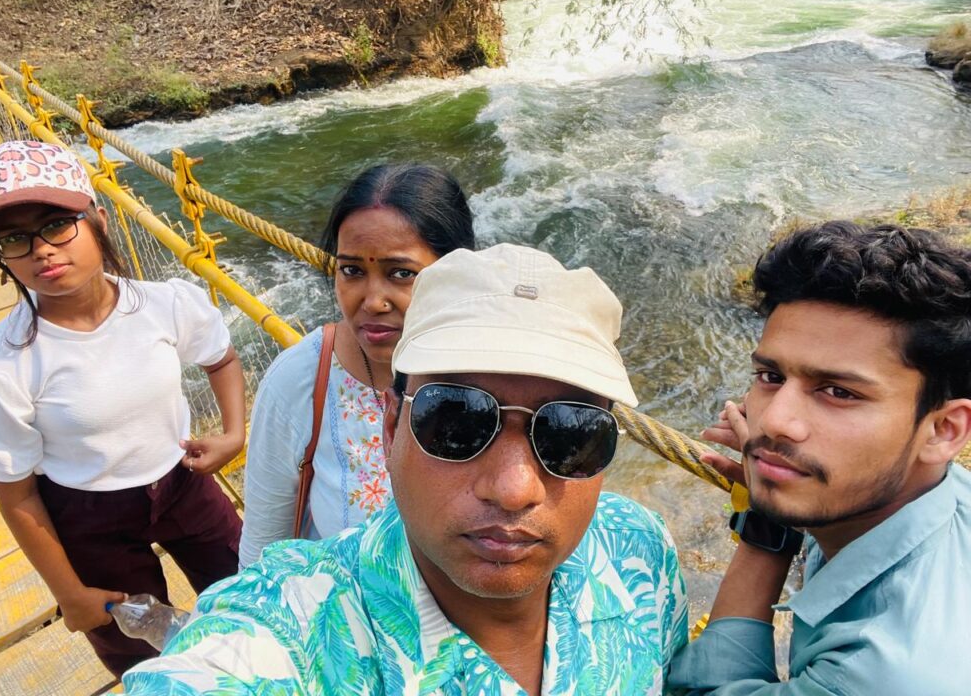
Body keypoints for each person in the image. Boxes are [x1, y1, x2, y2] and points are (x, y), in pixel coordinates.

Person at [123, 243, 688, 695]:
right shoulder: (295, 629)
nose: (514, 488)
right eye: (456, 420)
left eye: (571, 432)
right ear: (390, 427)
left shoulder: (639, 548)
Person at [0, 140, 247, 676]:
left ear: (99, 221)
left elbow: (221, 358)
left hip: (183, 481)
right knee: (139, 655)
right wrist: (69, 594)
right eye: (14, 238)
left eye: (57, 225)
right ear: (1, 256)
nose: (41, 250)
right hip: (87, 515)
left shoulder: (164, 305)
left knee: (247, 590)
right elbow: (17, 495)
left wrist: (233, 434)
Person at [668, 221, 971, 695]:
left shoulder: (880, 673)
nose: (774, 421)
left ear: (943, 430)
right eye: (771, 376)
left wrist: (766, 526)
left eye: (838, 392)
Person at [237, 163, 475, 567]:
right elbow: (262, 554)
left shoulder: (498, 375)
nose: (373, 301)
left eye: (401, 273)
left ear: (456, 273)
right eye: (352, 271)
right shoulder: (300, 381)